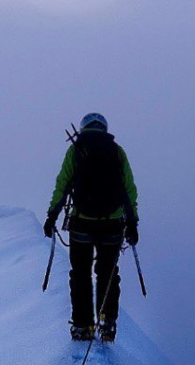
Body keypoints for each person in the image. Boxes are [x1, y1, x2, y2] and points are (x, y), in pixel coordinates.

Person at [44, 113, 138, 342]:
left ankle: (82, 326)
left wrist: (52, 215)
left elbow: (62, 184)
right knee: (108, 275)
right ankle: (106, 322)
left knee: (80, 275)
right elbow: (129, 189)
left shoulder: (76, 150)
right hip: (112, 225)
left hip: (81, 224)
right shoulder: (117, 151)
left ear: (83, 128)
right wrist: (132, 222)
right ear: (104, 128)